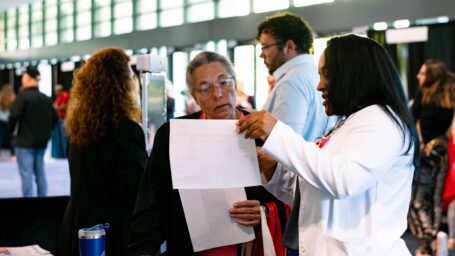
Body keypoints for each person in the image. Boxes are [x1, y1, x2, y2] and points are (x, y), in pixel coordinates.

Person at [237, 34, 419, 255]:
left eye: (327, 76)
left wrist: (277, 133)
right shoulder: (352, 121)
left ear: (353, 76)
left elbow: (342, 181)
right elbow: (317, 188)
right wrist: (273, 169)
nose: (319, 85)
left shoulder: (381, 122)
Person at [129, 51, 288, 256]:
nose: (218, 94)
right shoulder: (173, 136)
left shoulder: (263, 131)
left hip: (249, 248)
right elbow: (153, 204)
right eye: (205, 88)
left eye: (224, 82)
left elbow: (292, 197)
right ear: (194, 96)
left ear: (234, 82)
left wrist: (265, 212)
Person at [57, 48, 148, 256]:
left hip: (76, 225)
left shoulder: (77, 128)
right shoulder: (126, 130)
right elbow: (135, 192)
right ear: (122, 83)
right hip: (109, 233)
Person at [256, 11, 334, 141]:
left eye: (265, 47)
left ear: (289, 46)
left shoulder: (291, 81)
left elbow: (283, 145)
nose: (261, 55)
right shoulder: (314, 74)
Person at [408, 59, 455, 254]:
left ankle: (429, 240)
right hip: (434, 155)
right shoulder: (437, 93)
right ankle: (432, 239)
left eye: (422, 73)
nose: (418, 76)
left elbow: (410, 117)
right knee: (426, 200)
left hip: (435, 156)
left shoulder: (441, 93)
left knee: (422, 200)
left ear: (432, 76)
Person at [8, 66, 57, 197]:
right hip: (41, 142)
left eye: (24, 76)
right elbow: (54, 119)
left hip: (25, 143)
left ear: (29, 78)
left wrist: (11, 135)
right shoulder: (46, 98)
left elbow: (13, 117)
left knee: (26, 174)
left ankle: (28, 204)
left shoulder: (22, 97)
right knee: (40, 173)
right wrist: (46, 134)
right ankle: (43, 201)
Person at [51, 84, 69, 158]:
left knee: (64, 138)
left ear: (59, 91)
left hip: (63, 119)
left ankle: (65, 154)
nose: (55, 93)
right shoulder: (57, 98)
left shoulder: (65, 95)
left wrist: (56, 108)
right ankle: (59, 154)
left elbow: (64, 106)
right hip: (58, 120)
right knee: (58, 139)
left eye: (56, 91)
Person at [0, 83, 15, 160]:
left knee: (0, 137)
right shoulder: (12, 97)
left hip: (0, 119)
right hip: (8, 119)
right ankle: (13, 155)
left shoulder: (1, 96)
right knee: (11, 137)